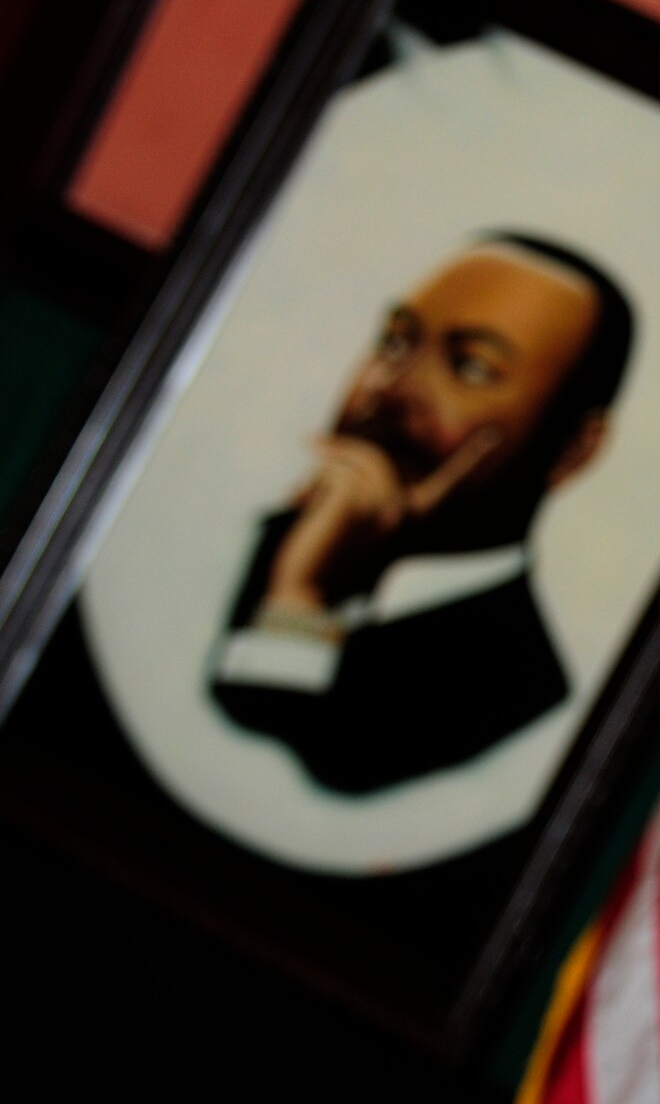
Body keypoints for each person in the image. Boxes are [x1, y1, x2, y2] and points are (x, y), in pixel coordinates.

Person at [208, 233, 634, 794]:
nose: (393, 388)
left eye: (472, 368)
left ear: (573, 449)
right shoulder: (264, 546)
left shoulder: (518, 679)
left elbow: (304, 781)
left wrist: (298, 604)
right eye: (394, 342)